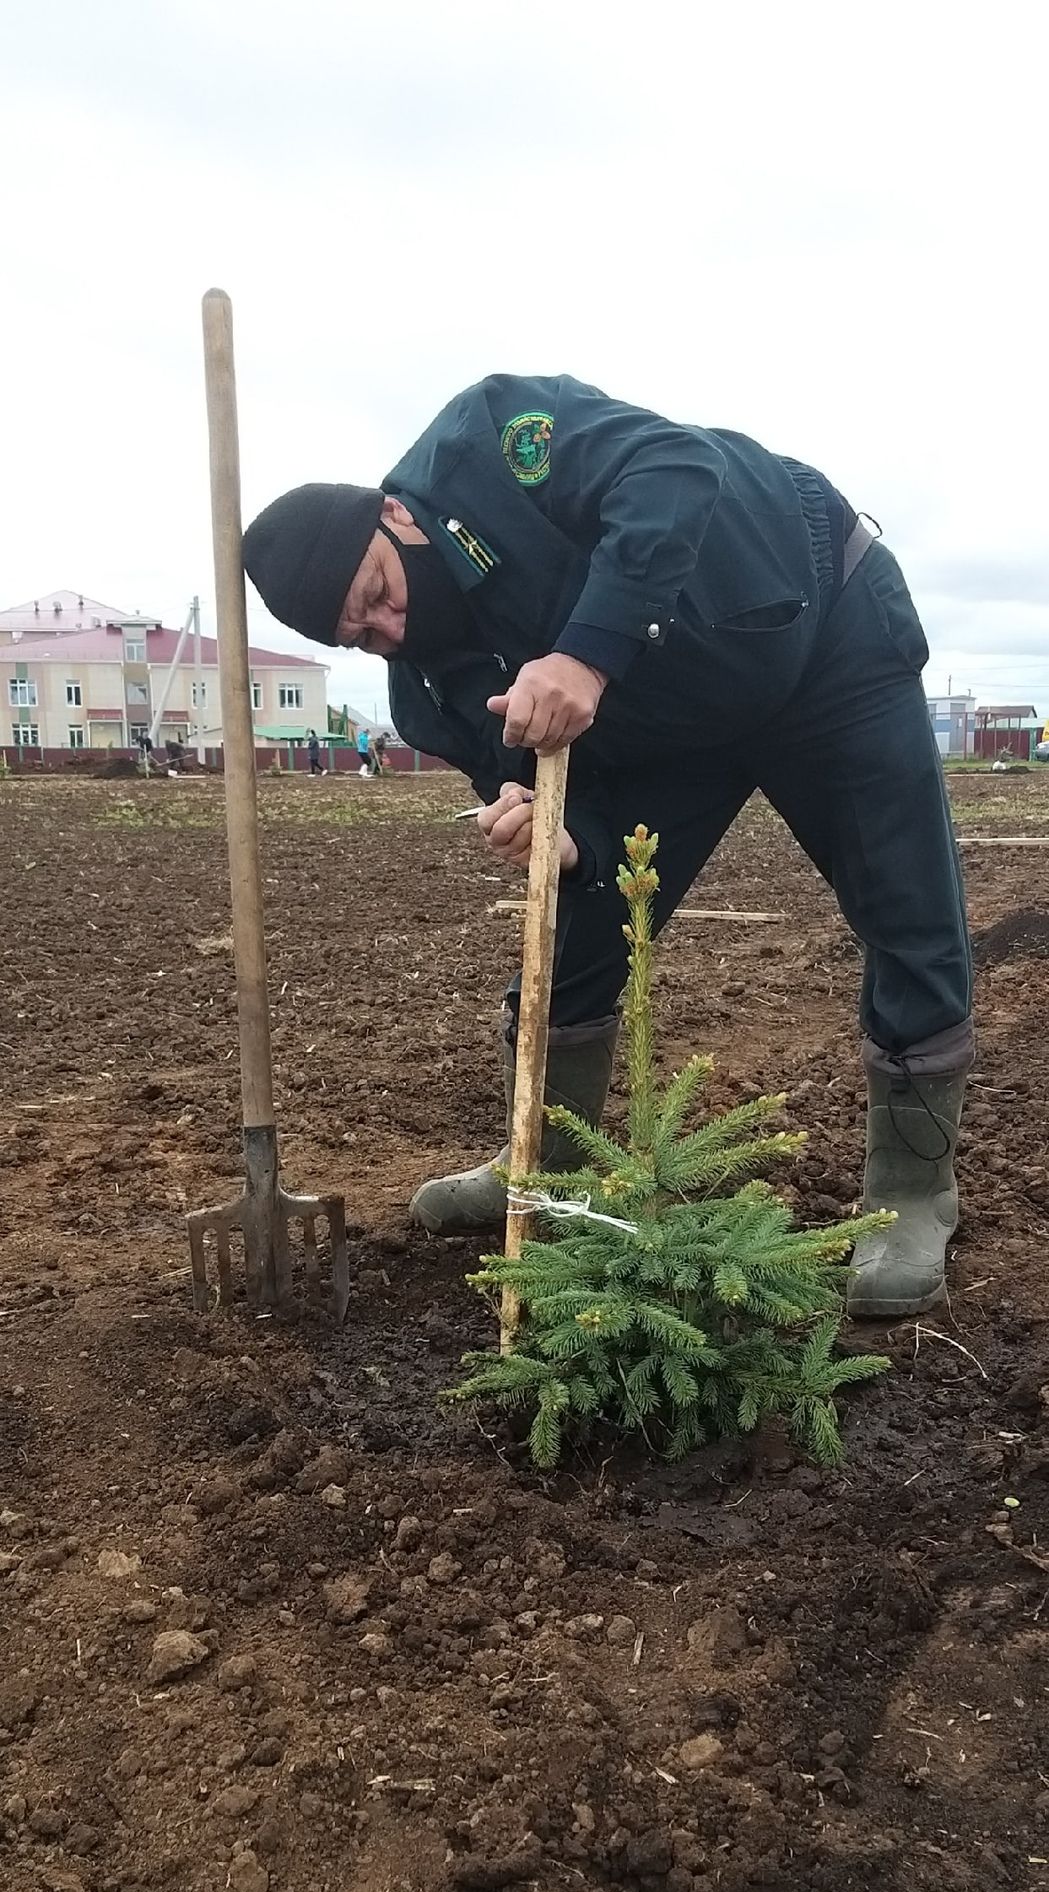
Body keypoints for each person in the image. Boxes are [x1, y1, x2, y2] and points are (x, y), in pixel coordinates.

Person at [242, 373, 975, 1320]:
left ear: (395, 516)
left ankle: (913, 1196)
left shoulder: (496, 439)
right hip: (670, 736)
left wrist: (583, 654)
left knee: (905, 905)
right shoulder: (433, 691)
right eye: (360, 636)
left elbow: (677, 466)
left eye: (378, 594)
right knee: (574, 935)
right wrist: (558, 840)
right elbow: (569, 823)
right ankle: (546, 1165)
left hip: (815, 629)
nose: (391, 627)